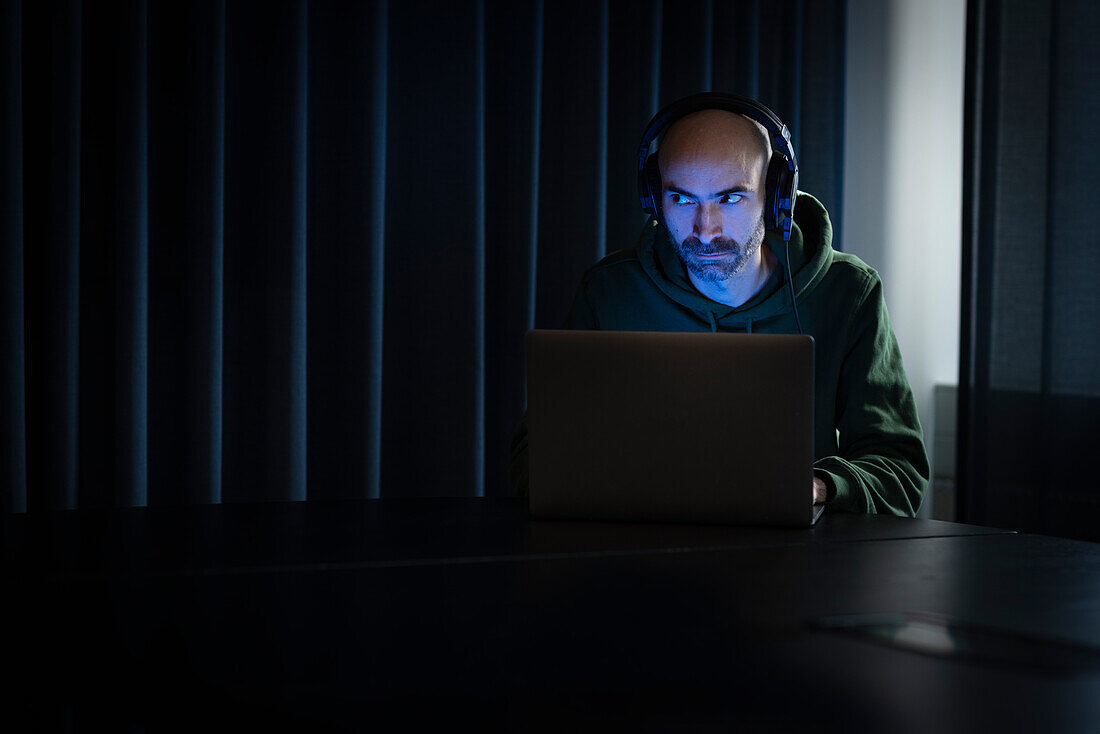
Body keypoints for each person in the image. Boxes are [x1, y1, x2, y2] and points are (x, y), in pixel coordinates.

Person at [509, 94, 928, 515]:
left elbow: (901, 471)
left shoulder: (849, 292)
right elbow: (534, 459)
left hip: (794, 568)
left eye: (730, 198)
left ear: (777, 196)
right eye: (683, 198)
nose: (705, 230)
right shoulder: (609, 292)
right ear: (654, 199)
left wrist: (818, 486)